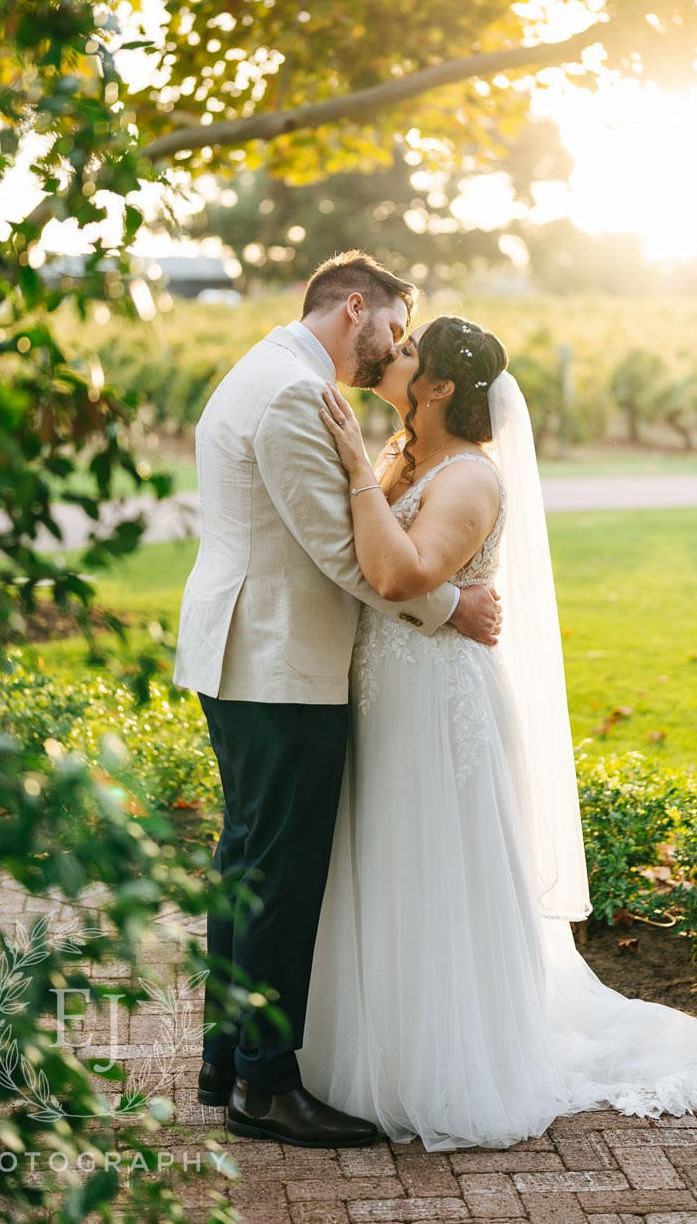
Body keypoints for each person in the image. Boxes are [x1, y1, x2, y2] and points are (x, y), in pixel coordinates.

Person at [302, 314, 697, 1151]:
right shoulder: (406, 456)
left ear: (437, 390)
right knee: (382, 861)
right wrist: (370, 466)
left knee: (434, 868)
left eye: (410, 353)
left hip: (437, 702)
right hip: (385, 688)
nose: (393, 357)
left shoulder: (468, 479)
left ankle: (450, 1064)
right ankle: (368, 1047)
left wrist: (358, 468)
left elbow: (400, 573)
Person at [172, 256, 502, 1148]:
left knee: (247, 859)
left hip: (253, 654)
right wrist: (451, 604)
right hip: (278, 661)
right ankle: (266, 1088)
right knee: (278, 874)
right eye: (393, 328)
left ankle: (226, 1058)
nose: (394, 348)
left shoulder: (270, 370)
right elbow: (342, 552)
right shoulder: (289, 393)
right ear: (356, 307)